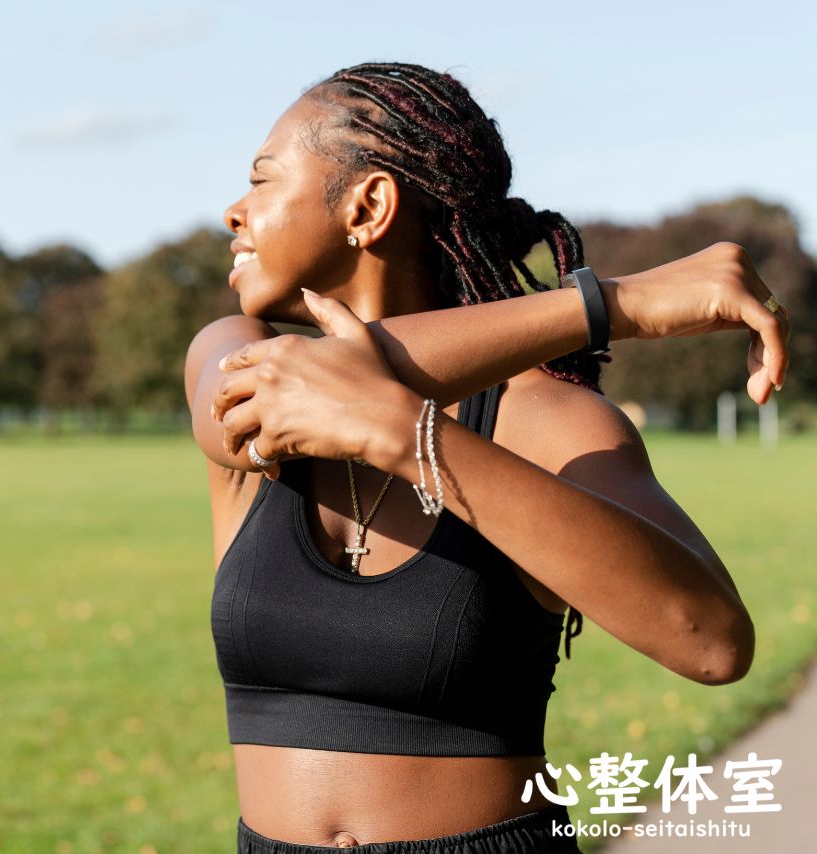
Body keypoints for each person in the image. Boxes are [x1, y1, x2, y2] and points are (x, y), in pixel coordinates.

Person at [183, 62, 792, 853]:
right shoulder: (237, 362)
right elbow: (289, 390)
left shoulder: (547, 422)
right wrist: (612, 304)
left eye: (262, 181)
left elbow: (711, 642)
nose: (234, 211)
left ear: (367, 206)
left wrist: (413, 438)